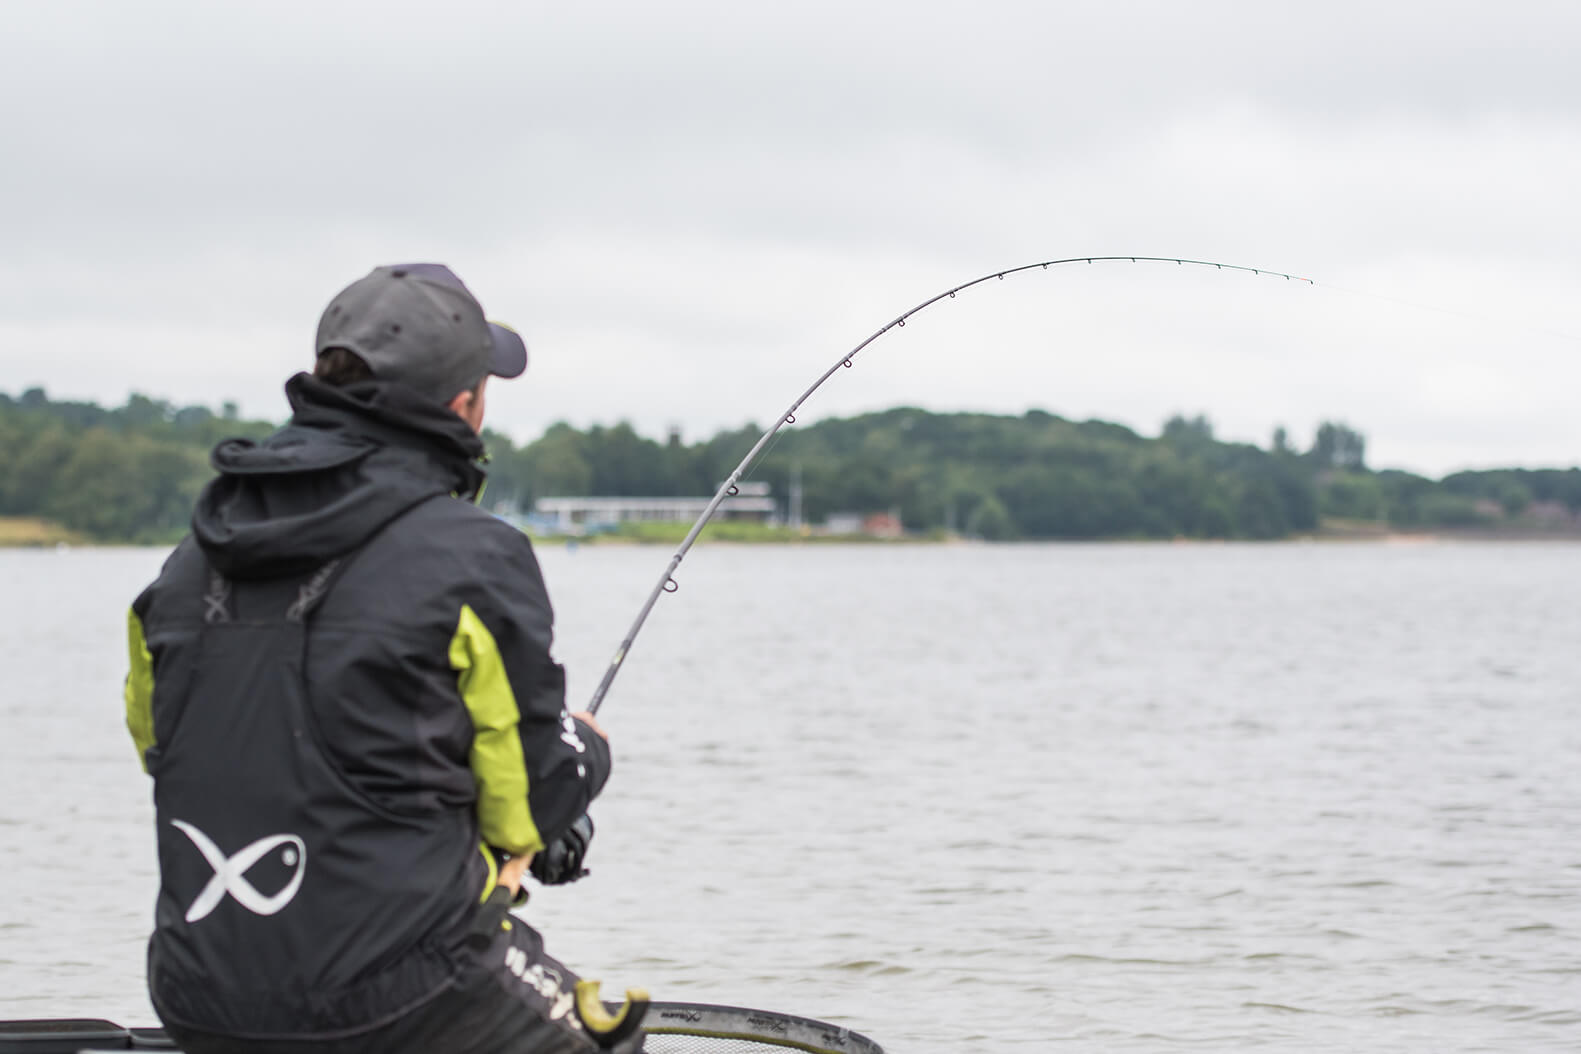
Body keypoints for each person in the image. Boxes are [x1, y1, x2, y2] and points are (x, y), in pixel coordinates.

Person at [123, 264, 633, 1053]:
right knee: (611, 1040)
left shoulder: (186, 566)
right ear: (463, 406)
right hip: (404, 993)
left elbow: (166, 748)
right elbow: (526, 806)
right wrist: (585, 751)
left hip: (196, 993)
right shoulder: (474, 557)